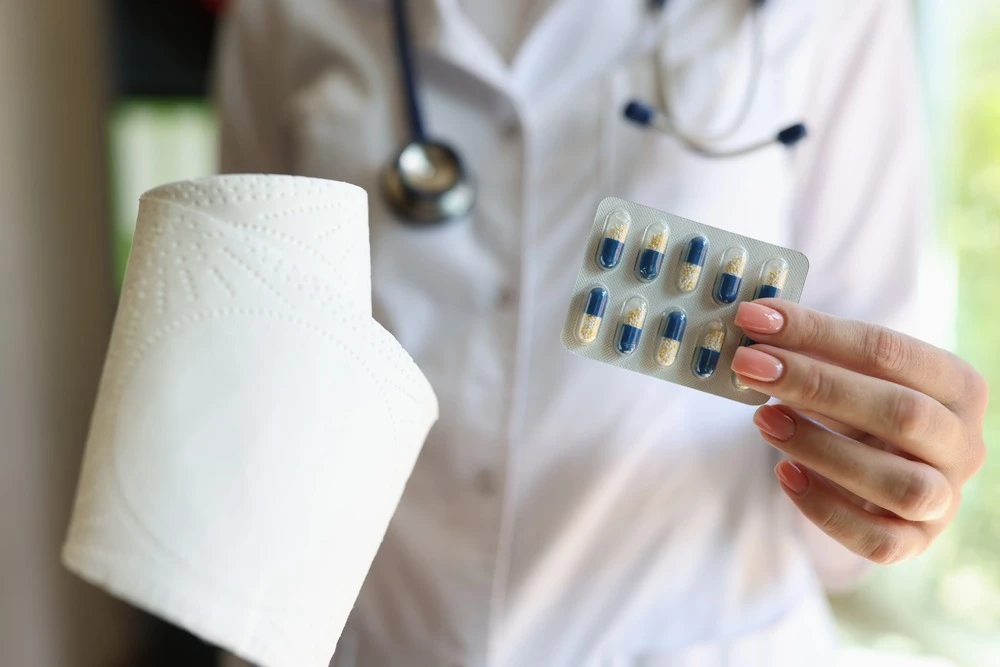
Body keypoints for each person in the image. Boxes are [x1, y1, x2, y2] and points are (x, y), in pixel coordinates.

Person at [213, 1, 988, 665]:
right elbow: (253, 385)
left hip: (702, 634)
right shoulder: (282, 17)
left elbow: (866, 421)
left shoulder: (825, 13)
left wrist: (888, 472)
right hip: (370, 639)